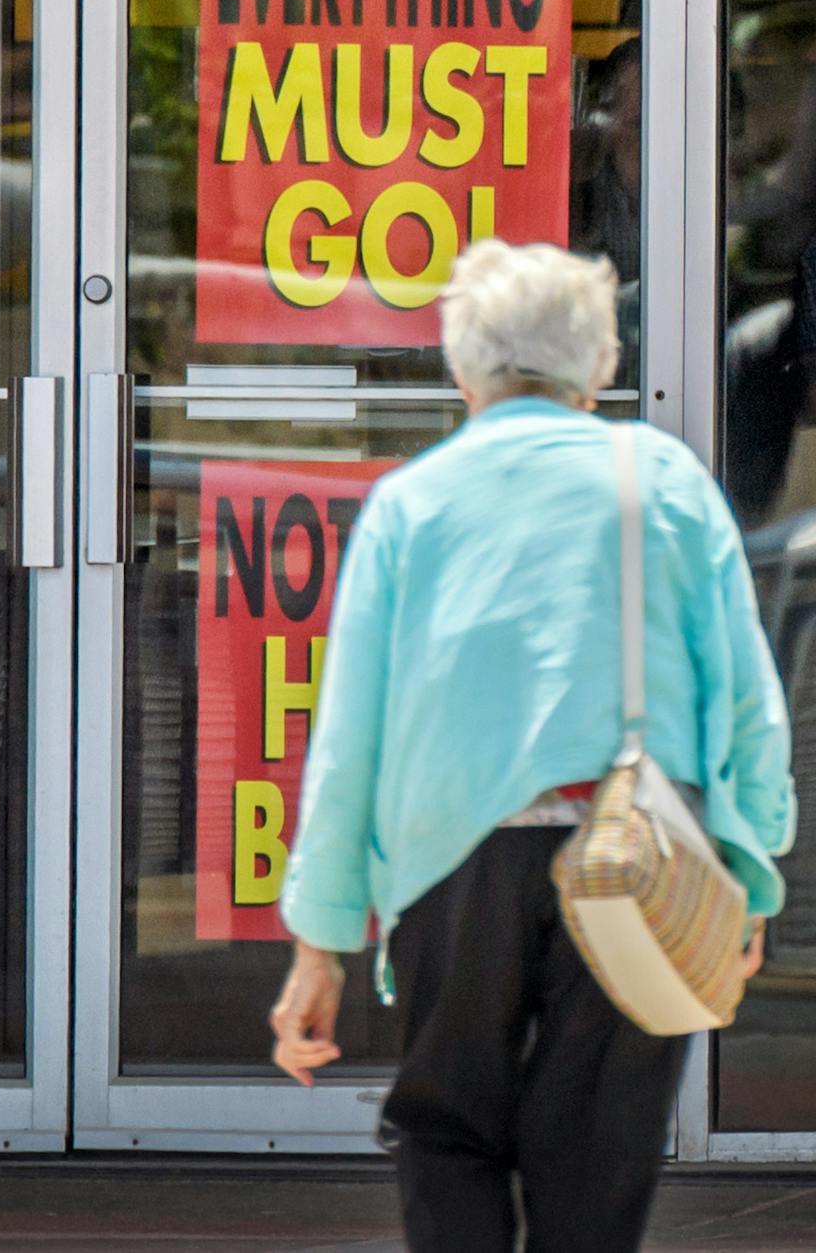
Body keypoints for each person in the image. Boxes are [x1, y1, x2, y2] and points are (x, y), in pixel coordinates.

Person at [270, 240, 796, 1253]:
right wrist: (745, 869)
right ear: (597, 365)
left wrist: (320, 937)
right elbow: (745, 702)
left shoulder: (408, 505)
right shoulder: (666, 483)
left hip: (449, 857)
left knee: (446, 1127)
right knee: (599, 1147)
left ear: (460, 367)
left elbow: (348, 740)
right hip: (636, 851)